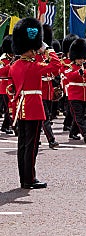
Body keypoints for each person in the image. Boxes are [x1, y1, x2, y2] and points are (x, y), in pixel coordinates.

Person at [9, 17, 61, 189]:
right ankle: (30, 179)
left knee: (23, 145)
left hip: (20, 108)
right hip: (33, 107)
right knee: (31, 146)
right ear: (31, 48)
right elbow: (56, 65)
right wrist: (46, 48)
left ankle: (23, 178)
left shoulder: (14, 66)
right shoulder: (34, 66)